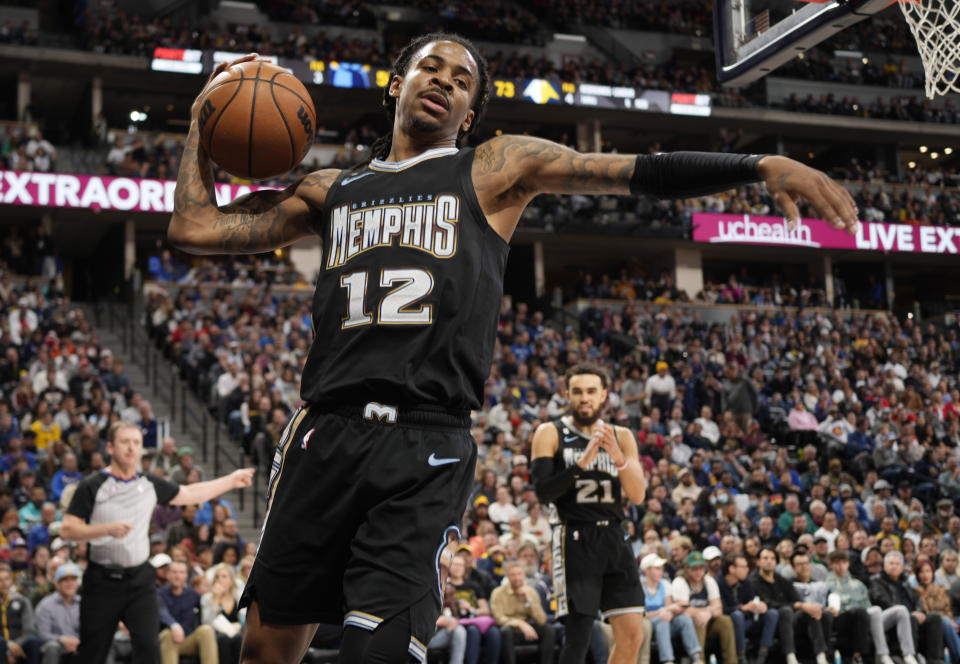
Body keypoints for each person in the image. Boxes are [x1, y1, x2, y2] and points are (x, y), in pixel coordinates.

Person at [168, 33, 860, 664]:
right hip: (324, 434)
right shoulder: (331, 190)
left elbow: (630, 169)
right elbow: (194, 228)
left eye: (461, 79)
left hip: (424, 445)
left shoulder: (495, 168)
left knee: (376, 654)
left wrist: (757, 164)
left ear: (469, 113)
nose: (442, 80)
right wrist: (203, 119)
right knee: (265, 651)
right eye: (428, 67)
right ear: (396, 84)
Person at [60, 421, 253, 664]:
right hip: (102, 582)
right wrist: (105, 529)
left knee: (150, 650)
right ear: (110, 447)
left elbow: (189, 494)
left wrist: (231, 480)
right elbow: (67, 529)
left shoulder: (149, 483)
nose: (131, 448)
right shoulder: (93, 485)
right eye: (125, 442)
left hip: (140, 581)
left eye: (136, 443)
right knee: (92, 654)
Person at [530, 361, 646, 664]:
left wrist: (618, 457)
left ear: (604, 395)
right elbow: (543, 492)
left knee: (633, 634)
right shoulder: (549, 432)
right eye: (578, 392)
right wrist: (582, 463)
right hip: (574, 537)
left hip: (614, 536)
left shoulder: (622, 435)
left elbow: (637, 494)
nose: (585, 398)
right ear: (567, 395)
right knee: (579, 636)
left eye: (591, 391)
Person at [825, 550, 912, 664]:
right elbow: (834, 609)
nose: (841, 566)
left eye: (843, 562)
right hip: (849, 620)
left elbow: (868, 605)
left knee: (901, 610)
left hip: (869, 619)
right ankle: (882, 655)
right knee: (874, 610)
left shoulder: (858, 584)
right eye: (837, 562)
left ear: (848, 564)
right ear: (831, 564)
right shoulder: (828, 584)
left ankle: (909, 655)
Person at [868, 551, 939, 664]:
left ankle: (935, 659)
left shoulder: (905, 582)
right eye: (891, 563)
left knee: (934, 618)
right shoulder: (876, 581)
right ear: (884, 566)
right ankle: (910, 656)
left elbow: (917, 599)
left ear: (902, 567)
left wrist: (920, 611)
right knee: (905, 614)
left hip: (910, 614)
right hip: (890, 616)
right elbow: (880, 600)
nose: (894, 566)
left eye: (897, 564)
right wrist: (908, 613)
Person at [673, 551, 737, 664]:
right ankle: (699, 660)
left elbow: (718, 608)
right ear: (687, 568)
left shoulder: (709, 581)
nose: (698, 572)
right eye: (694, 569)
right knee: (699, 619)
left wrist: (709, 613)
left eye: (701, 568)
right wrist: (707, 611)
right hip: (687, 626)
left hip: (709, 620)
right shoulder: (680, 581)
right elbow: (683, 609)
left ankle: (732, 661)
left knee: (725, 621)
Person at [640, 552, 701, 664]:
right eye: (657, 568)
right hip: (647, 625)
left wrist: (672, 611)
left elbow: (669, 608)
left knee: (684, 618)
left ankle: (696, 657)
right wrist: (662, 612)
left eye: (661, 568)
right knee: (662, 620)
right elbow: (641, 615)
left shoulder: (665, 584)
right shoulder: (639, 586)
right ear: (646, 570)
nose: (661, 572)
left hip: (665, 622)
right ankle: (668, 660)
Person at [716, 553, 777, 664]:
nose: (747, 570)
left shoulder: (746, 582)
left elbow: (753, 600)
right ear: (732, 569)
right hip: (730, 624)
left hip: (748, 620)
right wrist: (742, 608)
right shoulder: (718, 583)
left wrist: (760, 606)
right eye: (744, 567)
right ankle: (741, 657)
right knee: (737, 615)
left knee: (772, 613)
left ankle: (762, 656)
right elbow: (722, 609)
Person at [490, 561, 554, 664]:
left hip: (528, 631)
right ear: (507, 576)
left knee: (549, 629)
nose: (517, 578)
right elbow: (499, 618)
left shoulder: (531, 592)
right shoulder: (498, 593)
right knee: (506, 631)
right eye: (513, 575)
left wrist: (528, 599)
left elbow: (541, 620)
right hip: (511, 630)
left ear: (524, 575)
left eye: (519, 574)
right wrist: (520, 624)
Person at [158, 560, 218, 664]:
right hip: (167, 640)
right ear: (168, 574)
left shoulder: (193, 594)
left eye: (181, 572)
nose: (178, 576)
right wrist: (174, 626)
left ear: (186, 576)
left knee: (206, 630)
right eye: (174, 572)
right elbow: (161, 611)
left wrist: (215, 597)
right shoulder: (159, 593)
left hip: (188, 639)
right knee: (168, 634)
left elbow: (206, 609)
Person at [35, 561, 81, 664]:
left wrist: (76, 641)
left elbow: (88, 629)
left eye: (73, 579)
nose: (70, 584)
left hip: (78, 643)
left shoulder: (82, 604)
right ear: (56, 584)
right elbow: (42, 634)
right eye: (65, 580)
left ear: (77, 583)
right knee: (52, 647)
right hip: (56, 645)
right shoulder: (45, 605)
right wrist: (63, 640)